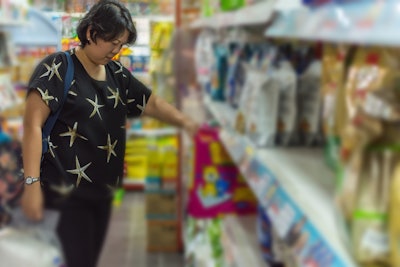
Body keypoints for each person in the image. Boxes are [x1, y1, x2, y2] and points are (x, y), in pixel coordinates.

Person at [20, 1, 199, 266]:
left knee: (88, 259)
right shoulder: (57, 68)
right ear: (91, 32)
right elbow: (32, 126)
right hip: (66, 197)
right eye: (112, 42)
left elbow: (150, 102)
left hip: (103, 195)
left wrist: (187, 122)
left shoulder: (117, 74)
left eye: (121, 45)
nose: (116, 51)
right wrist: (31, 186)